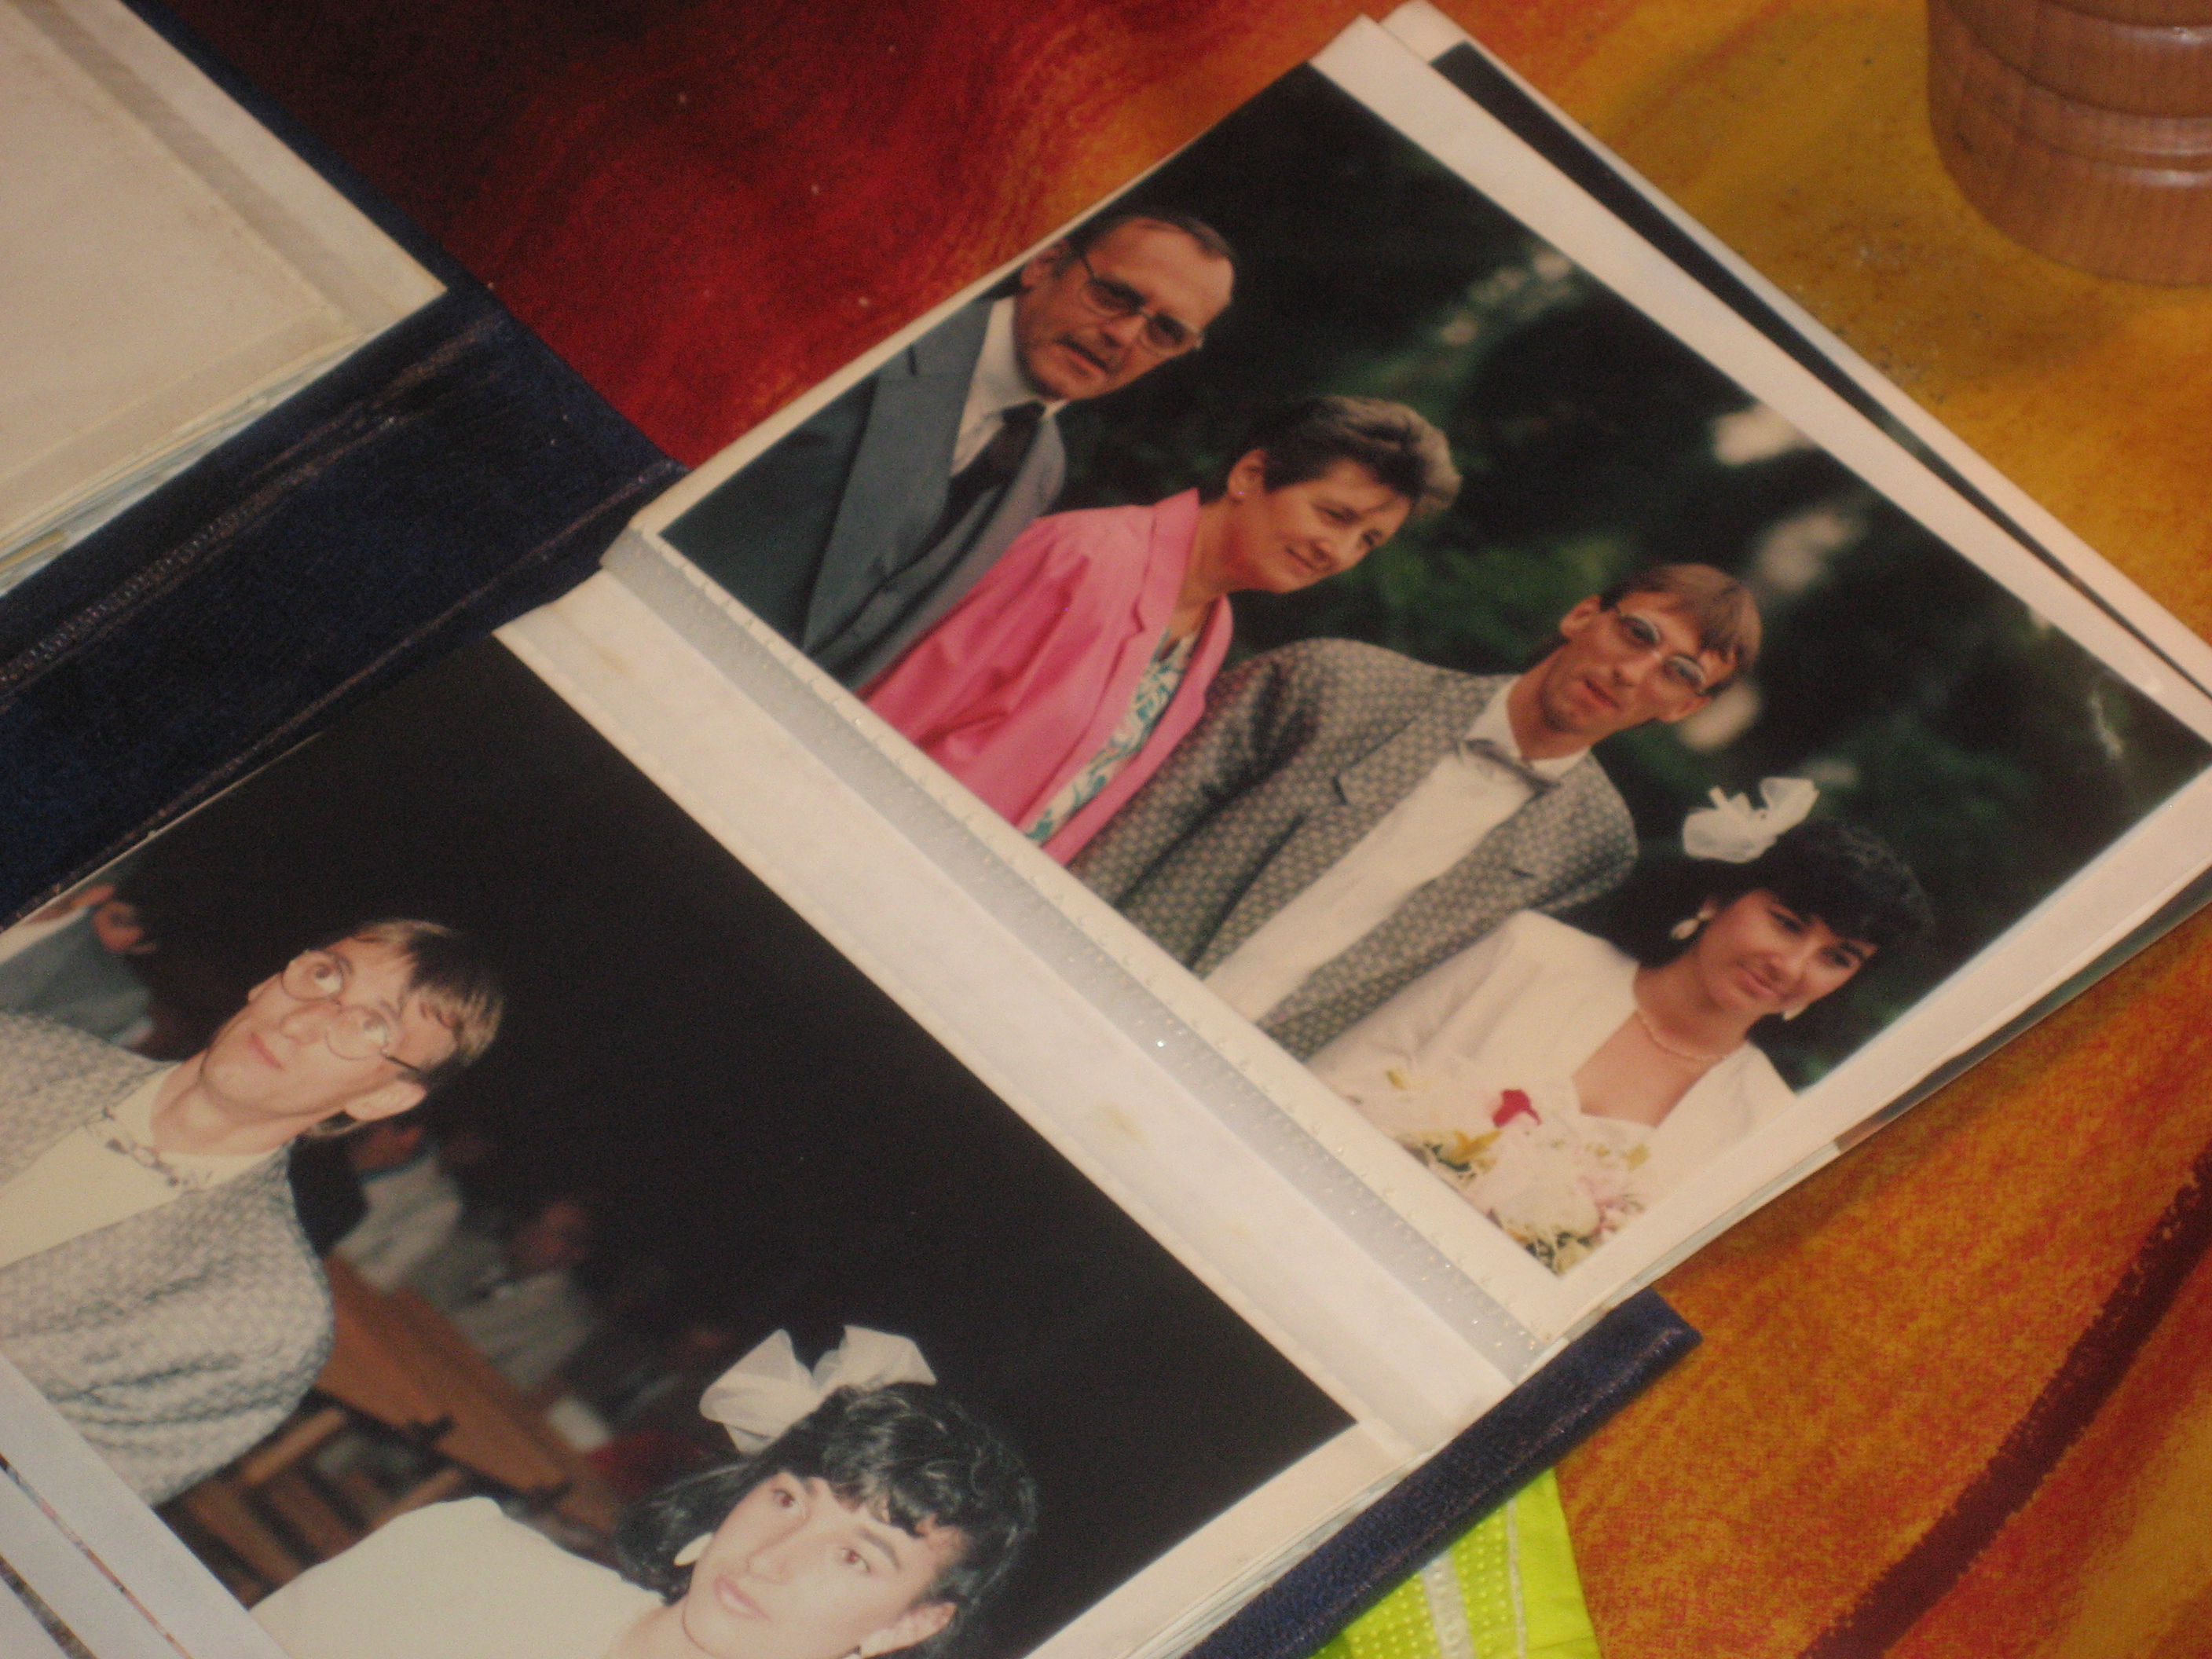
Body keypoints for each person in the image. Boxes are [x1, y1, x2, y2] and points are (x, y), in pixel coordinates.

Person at [1071, 564, 1763, 1058]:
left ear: (1686, 707)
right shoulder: (1339, 682)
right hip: (1095, 981)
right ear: (1583, 616)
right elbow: (1137, 817)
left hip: (1258, 1082)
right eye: (1637, 634)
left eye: (1679, 672)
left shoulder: (1592, 845)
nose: (1634, 672)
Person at [0, 918, 501, 1501]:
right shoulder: (17, 1054)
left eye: (370, 1027)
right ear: (270, 982)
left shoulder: (262, 1324)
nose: (300, 1021)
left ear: (383, 1097)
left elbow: (53, 1514)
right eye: (325, 976)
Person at [1309, 814, 1932, 1273]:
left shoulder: (1769, 1129)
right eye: (1787, 924)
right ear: (1718, 897)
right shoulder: (1528, 955)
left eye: (1837, 958)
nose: (1791, 965)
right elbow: (1329, 1083)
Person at [864, 397, 1459, 862]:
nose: (1339, 550)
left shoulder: (1211, 633)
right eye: (1334, 515)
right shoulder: (1084, 555)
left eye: (1367, 541)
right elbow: (891, 710)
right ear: (1251, 474)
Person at [661, 207, 1236, 687]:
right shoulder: (872, 335)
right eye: (1113, 295)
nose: (1124, 335)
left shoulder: (1044, 471)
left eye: (1165, 332)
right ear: (1045, 264)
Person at [252, 1379, 1038, 1659]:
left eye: (854, 1557)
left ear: (908, 1625)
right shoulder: (460, 1559)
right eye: (788, 1500)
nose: (769, 1558)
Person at [409, 1191, 601, 1393]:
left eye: (557, 1234)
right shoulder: (469, 1250)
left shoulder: (565, 1325)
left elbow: (503, 1389)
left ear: (577, 1252)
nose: (536, 1236)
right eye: (537, 1223)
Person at [331, 1115, 466, 1290]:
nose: (363, 1129)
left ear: (410, 1136)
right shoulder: (334, 1141)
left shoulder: (438, 1206)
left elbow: (379, 1277)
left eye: (375, 1127)